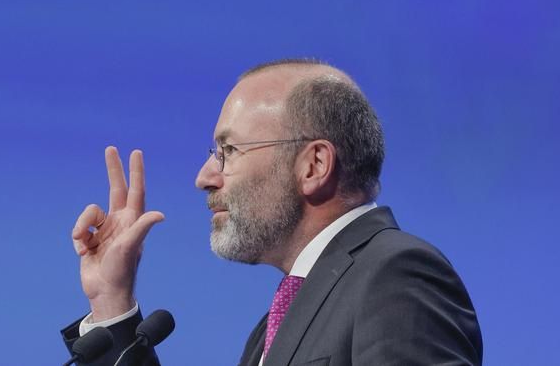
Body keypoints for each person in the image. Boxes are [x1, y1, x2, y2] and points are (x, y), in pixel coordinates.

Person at [62, 58, 482, 365]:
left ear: (314, 165)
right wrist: (111, 302)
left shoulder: (395, 275)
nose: (205, 176)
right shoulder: (273, 327)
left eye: (228, 150)